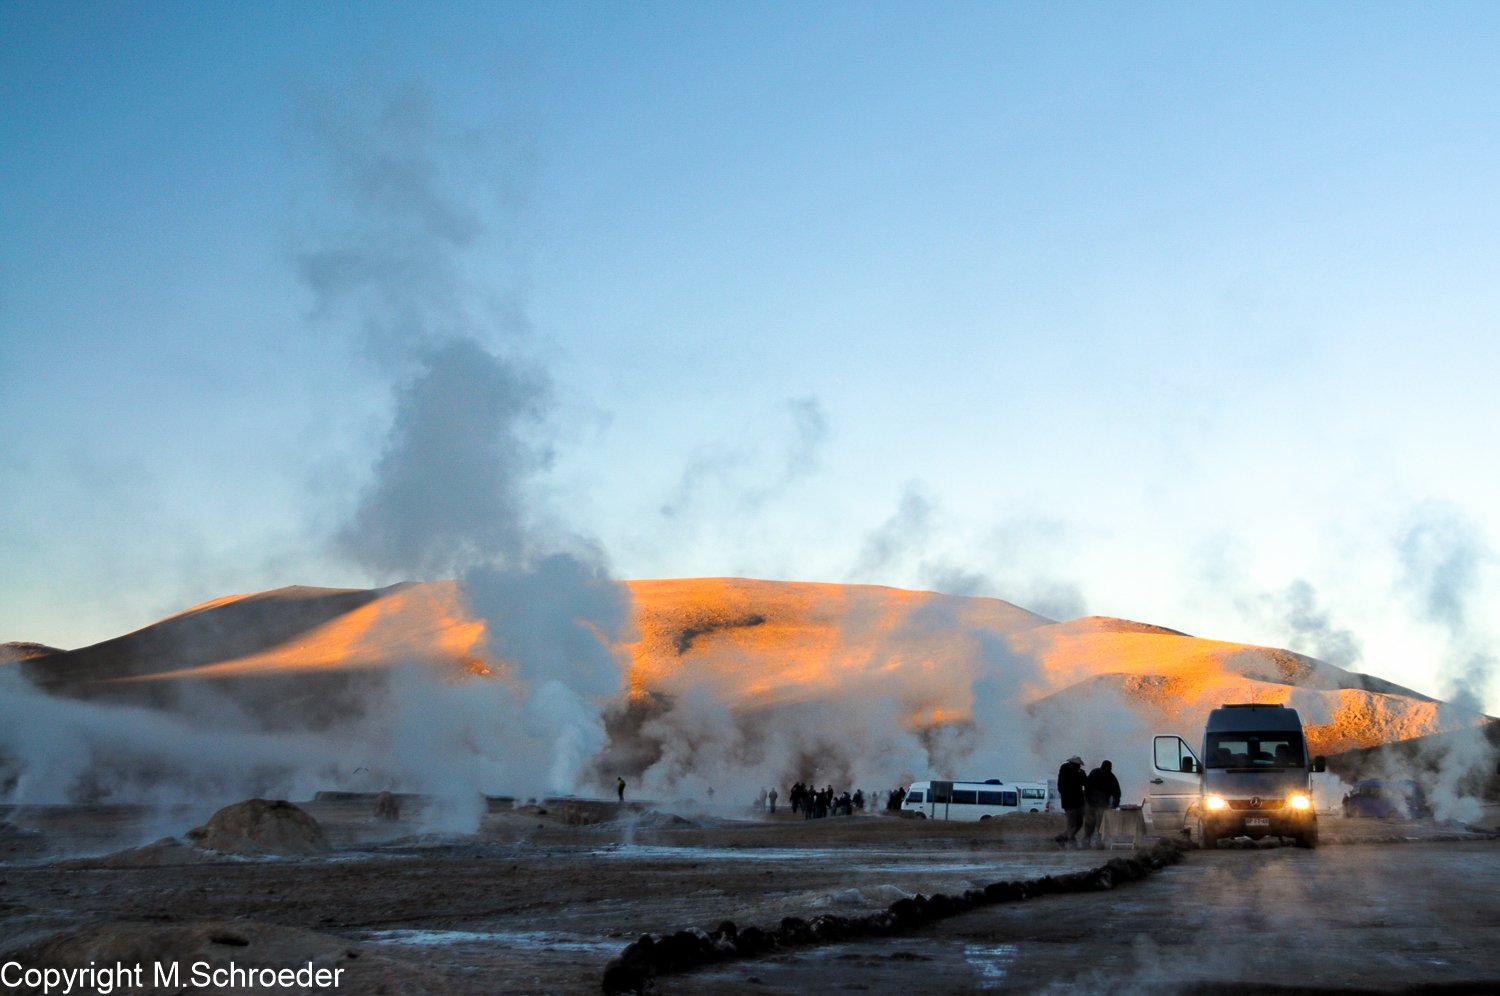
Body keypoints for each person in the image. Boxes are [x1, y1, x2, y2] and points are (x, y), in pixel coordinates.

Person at [1083, 760, 1122, 848]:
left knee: (1101, 825)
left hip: (1101, 804)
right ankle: (1087, 841)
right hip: (1091, 802)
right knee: (1090, 823)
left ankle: (1099, 843)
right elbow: (1087, 786)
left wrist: (1115, 803)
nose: (1105, 772)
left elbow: (1116, 793)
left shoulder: (1111, 777)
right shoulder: (1095, 773)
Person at [1055, 755, 1088, 847]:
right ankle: (1066, 839)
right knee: (1073, 824)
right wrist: (1081, 774)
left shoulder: (1068, 771)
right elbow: (1084, 782)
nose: (1079, 767)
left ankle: (1065, 838)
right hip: (1071, 802)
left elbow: (1084, 782)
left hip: (1074, 802)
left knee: (1078, 823)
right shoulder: (1069, 772)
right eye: (1078, 765)